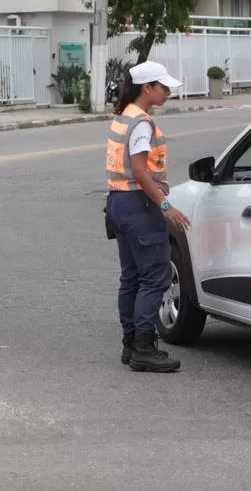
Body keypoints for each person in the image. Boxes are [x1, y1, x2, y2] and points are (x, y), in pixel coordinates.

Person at [104, 61, 192, 373]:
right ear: (147, 88)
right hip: (139, 205)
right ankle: (143, 346)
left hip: (118, 202)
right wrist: (166, 206)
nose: (167, 92)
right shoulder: (141, 123)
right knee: (156, 276)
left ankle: (131, 343)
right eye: (163, 87)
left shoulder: (124, 115)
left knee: (131, 277)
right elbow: (140, 170)